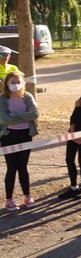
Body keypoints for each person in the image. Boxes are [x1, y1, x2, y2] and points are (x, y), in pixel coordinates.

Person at [0, 70, 38, 210]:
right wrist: (23, 115)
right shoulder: (2, 99)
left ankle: (27, 196)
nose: (15, 85)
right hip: (9, 136)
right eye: (12, 82)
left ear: (23, 83)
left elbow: (34, 114)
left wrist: (15, 115)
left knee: (23, 167)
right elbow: (4, 119)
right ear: (7, 84)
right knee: (11, 167)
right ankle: (9, 200)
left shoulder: (27, 96)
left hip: (25, 135)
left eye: (18, 82)